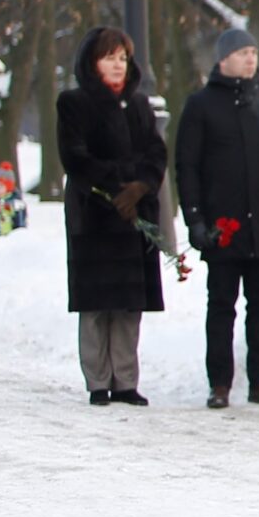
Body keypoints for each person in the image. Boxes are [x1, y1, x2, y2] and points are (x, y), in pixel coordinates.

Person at [176, 26, 259, 408]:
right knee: (221, 306)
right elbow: (188, 166)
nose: (250, 59)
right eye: (242, 53)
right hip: (223, 227)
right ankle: (220, 382)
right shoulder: (201, 105)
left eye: (253, 52)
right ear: (224, 59)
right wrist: (195, 218)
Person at [60, 27, 167, 407]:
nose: (118, 65)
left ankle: (125, 381)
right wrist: (114, 188)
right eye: (110, 58)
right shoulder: (73, 103)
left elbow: (156, 153)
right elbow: (75, 158)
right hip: (94, 216)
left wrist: (140, 187)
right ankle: (97, 381)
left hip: (134, 215)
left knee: (127, 307)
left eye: (123, 57)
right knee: (95, 307)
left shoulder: (139, 105)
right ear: (93, 63)